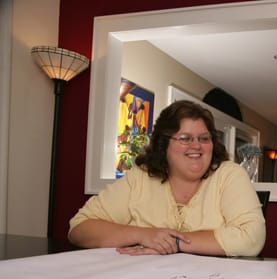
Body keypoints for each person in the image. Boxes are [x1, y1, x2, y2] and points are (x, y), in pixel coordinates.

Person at [69, 100, 266, 257]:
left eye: (204, 138)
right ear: (164, 144)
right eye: (185, 138)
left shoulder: (229, 175)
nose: (196, 145)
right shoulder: (140, 177)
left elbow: (252, 238)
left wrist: (173, 243)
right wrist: (144, 235)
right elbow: (80, 228)